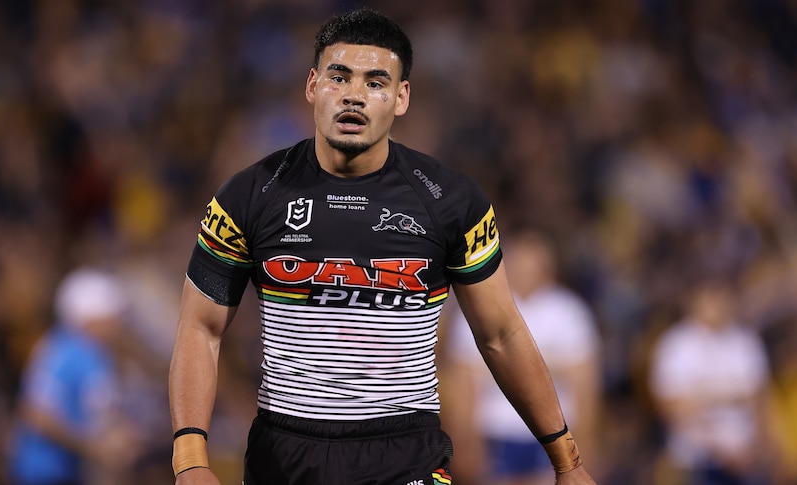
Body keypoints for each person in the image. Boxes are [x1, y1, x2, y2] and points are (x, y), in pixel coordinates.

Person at [168, 8, 597, 485]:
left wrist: (568, 462)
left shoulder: (452, 201)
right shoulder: (248, 195)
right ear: (312, 86)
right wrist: (190, 459)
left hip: (406, 453)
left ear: (401, 97)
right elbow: (200, 329)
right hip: (284, 453)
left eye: (375, 82)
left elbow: (501, 334)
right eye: (339, 77)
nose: (353, 95)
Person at [443, 230, 602, 485]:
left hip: (557, 433)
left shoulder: (570, 311)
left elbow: (585, 387)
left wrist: (586, 444)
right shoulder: (478, 307)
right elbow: (462, 383)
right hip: (494, 431)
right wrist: (464, 439)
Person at [9, 267, 142, 485]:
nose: (118, 323)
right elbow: (36, 413)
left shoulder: (93, 353)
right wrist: (93, 446)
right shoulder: (64, 350)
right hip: (44, 474)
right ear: (91, 317)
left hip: (70, 472)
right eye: (111, 315)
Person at [648, 279, 774, 485]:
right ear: (693, 300)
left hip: (746, 459)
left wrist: (764, 447)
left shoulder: (745, 341)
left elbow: (761, 399)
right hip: (697, 461)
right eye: (710, 297)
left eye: (722, 296)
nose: (717, 304)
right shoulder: (676, 345)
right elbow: (671, 408)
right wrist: (721, 448)